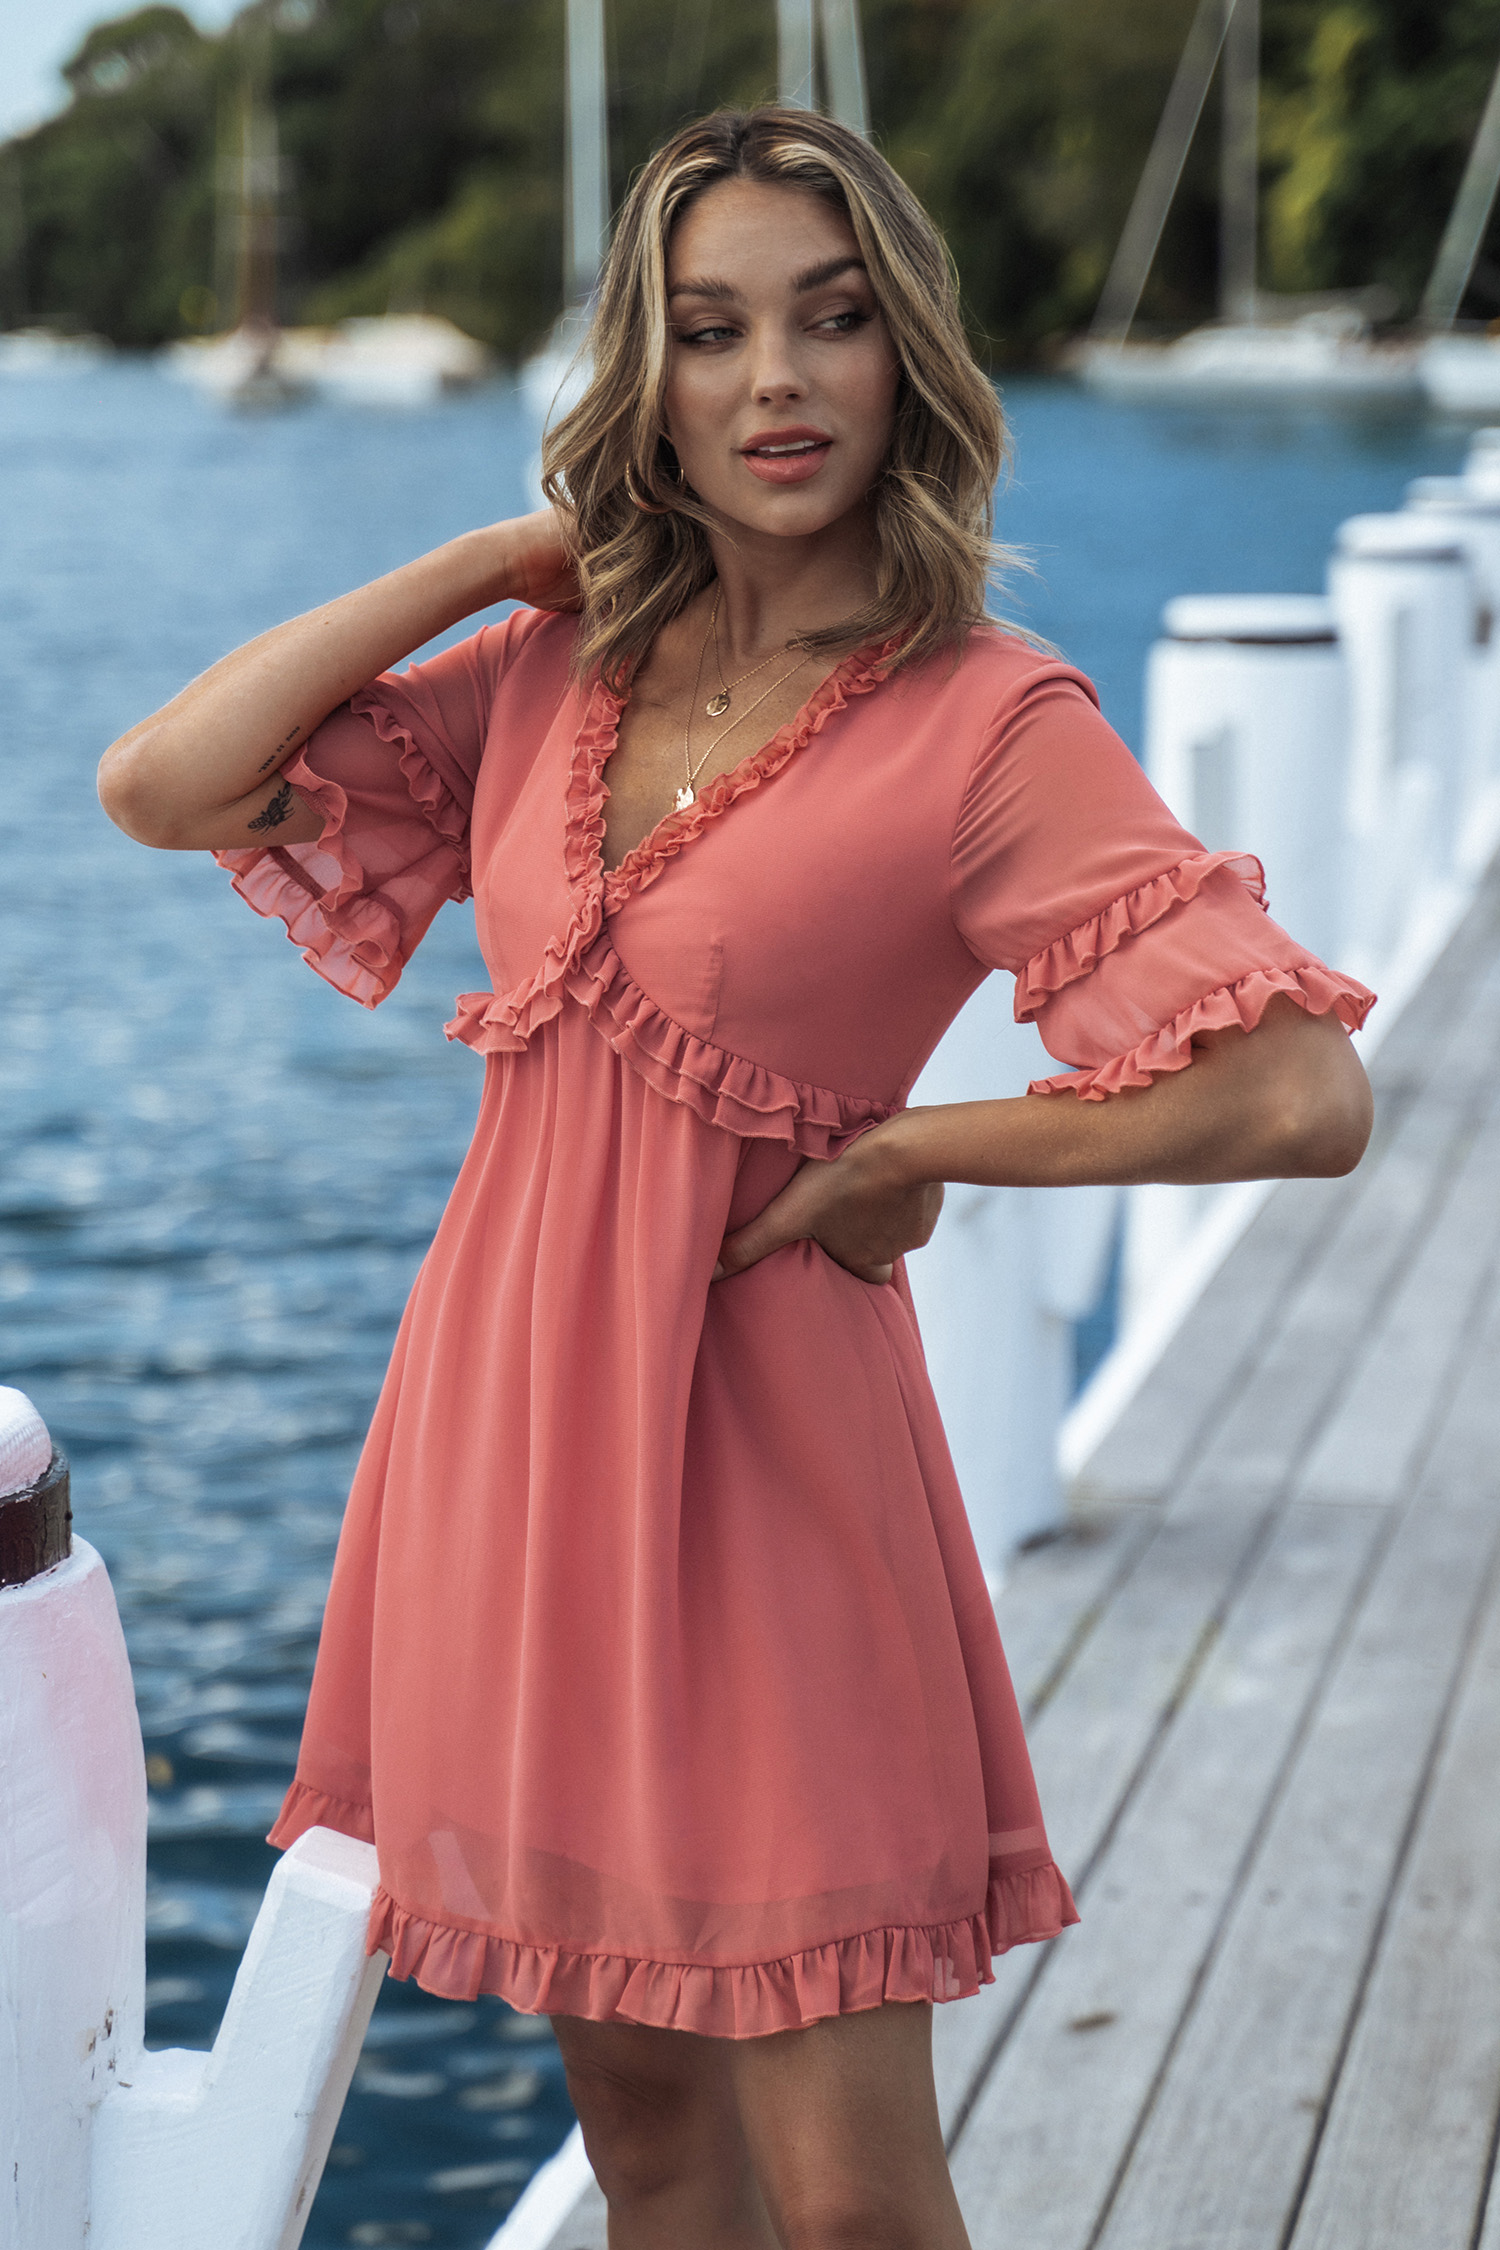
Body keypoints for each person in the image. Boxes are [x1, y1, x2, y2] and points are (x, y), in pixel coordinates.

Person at [99, 106, 1374, 2250]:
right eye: (710, 332)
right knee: (648, 2145)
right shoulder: (552, 669)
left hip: (773, 1472)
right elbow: (165, 783)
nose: (776, 380)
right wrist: (490, 562)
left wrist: (922, 1143)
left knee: (856, 2201)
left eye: (831, 319)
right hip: (514, 1449)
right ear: (649, 376)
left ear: (907, 357)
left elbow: (1297, 1095)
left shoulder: (988, 720)